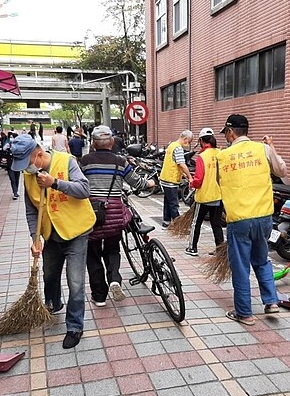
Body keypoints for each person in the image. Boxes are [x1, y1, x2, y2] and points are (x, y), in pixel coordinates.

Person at [11, 134, 95, 349]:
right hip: (51, 234)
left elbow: (85, 190)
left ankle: (75, 326)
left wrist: (55, 183)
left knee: (75, 282)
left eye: (27, 163)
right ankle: (54, 303)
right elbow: (31, 210)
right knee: (49, 275)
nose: (25, 169)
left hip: (76, 232)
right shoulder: (28, 176)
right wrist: (34, 238)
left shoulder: (66, 161)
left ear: (39, 155)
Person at [217, 114, 287, 325]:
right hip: (264, 217)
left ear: (230, 132)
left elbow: (220, 182)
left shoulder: (223, 156)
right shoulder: (262, 149)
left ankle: (245, 313)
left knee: (240, 266)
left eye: (226, 134)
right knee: (262, 259)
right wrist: (271, 146)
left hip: (239, 219)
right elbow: (282, 170)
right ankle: (271, 301)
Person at [80, 126, 155, 306]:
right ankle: (114, 278)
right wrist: (150, 182)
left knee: (93, 253)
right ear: (112, 142)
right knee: (113, 248)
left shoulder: (84, 161)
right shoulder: (121, 162)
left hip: (91, 213)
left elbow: (77, 184)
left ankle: (99, 297)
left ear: (93, 143)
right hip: (114, 212)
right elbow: (136, 182)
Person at [186, 128, 224, 256]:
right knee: (217, 224)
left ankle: (192, 248)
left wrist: (192, 183)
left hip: (204, 196)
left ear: (201, 141)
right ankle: (220, 250)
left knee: (196, 222)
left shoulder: (202, 157)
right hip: (219, 196)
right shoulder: (220, 153)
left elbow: (198, 179)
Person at [159, 130, 193, 229]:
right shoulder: (178, 148)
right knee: (174, 203)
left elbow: (174, 164)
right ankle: (178, 225)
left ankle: (166, 222)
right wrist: (190, 177)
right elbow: (181, 164)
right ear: (185, 139)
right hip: (170, 180)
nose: (189, 144)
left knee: (168, 201)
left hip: (165, 178)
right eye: (189, 141)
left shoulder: (171, 145)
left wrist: (186, 176)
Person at [3, 133, 21, 199]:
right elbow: (3, 149)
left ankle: (16, 190)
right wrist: (8, 146)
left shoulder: (19, 146)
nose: (11, 139)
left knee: (17, 178)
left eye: (12, 137)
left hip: (17, 165)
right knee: (12, 179)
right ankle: (15, 192)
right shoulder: (8, 145)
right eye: (10, 137)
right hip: (10, 165)